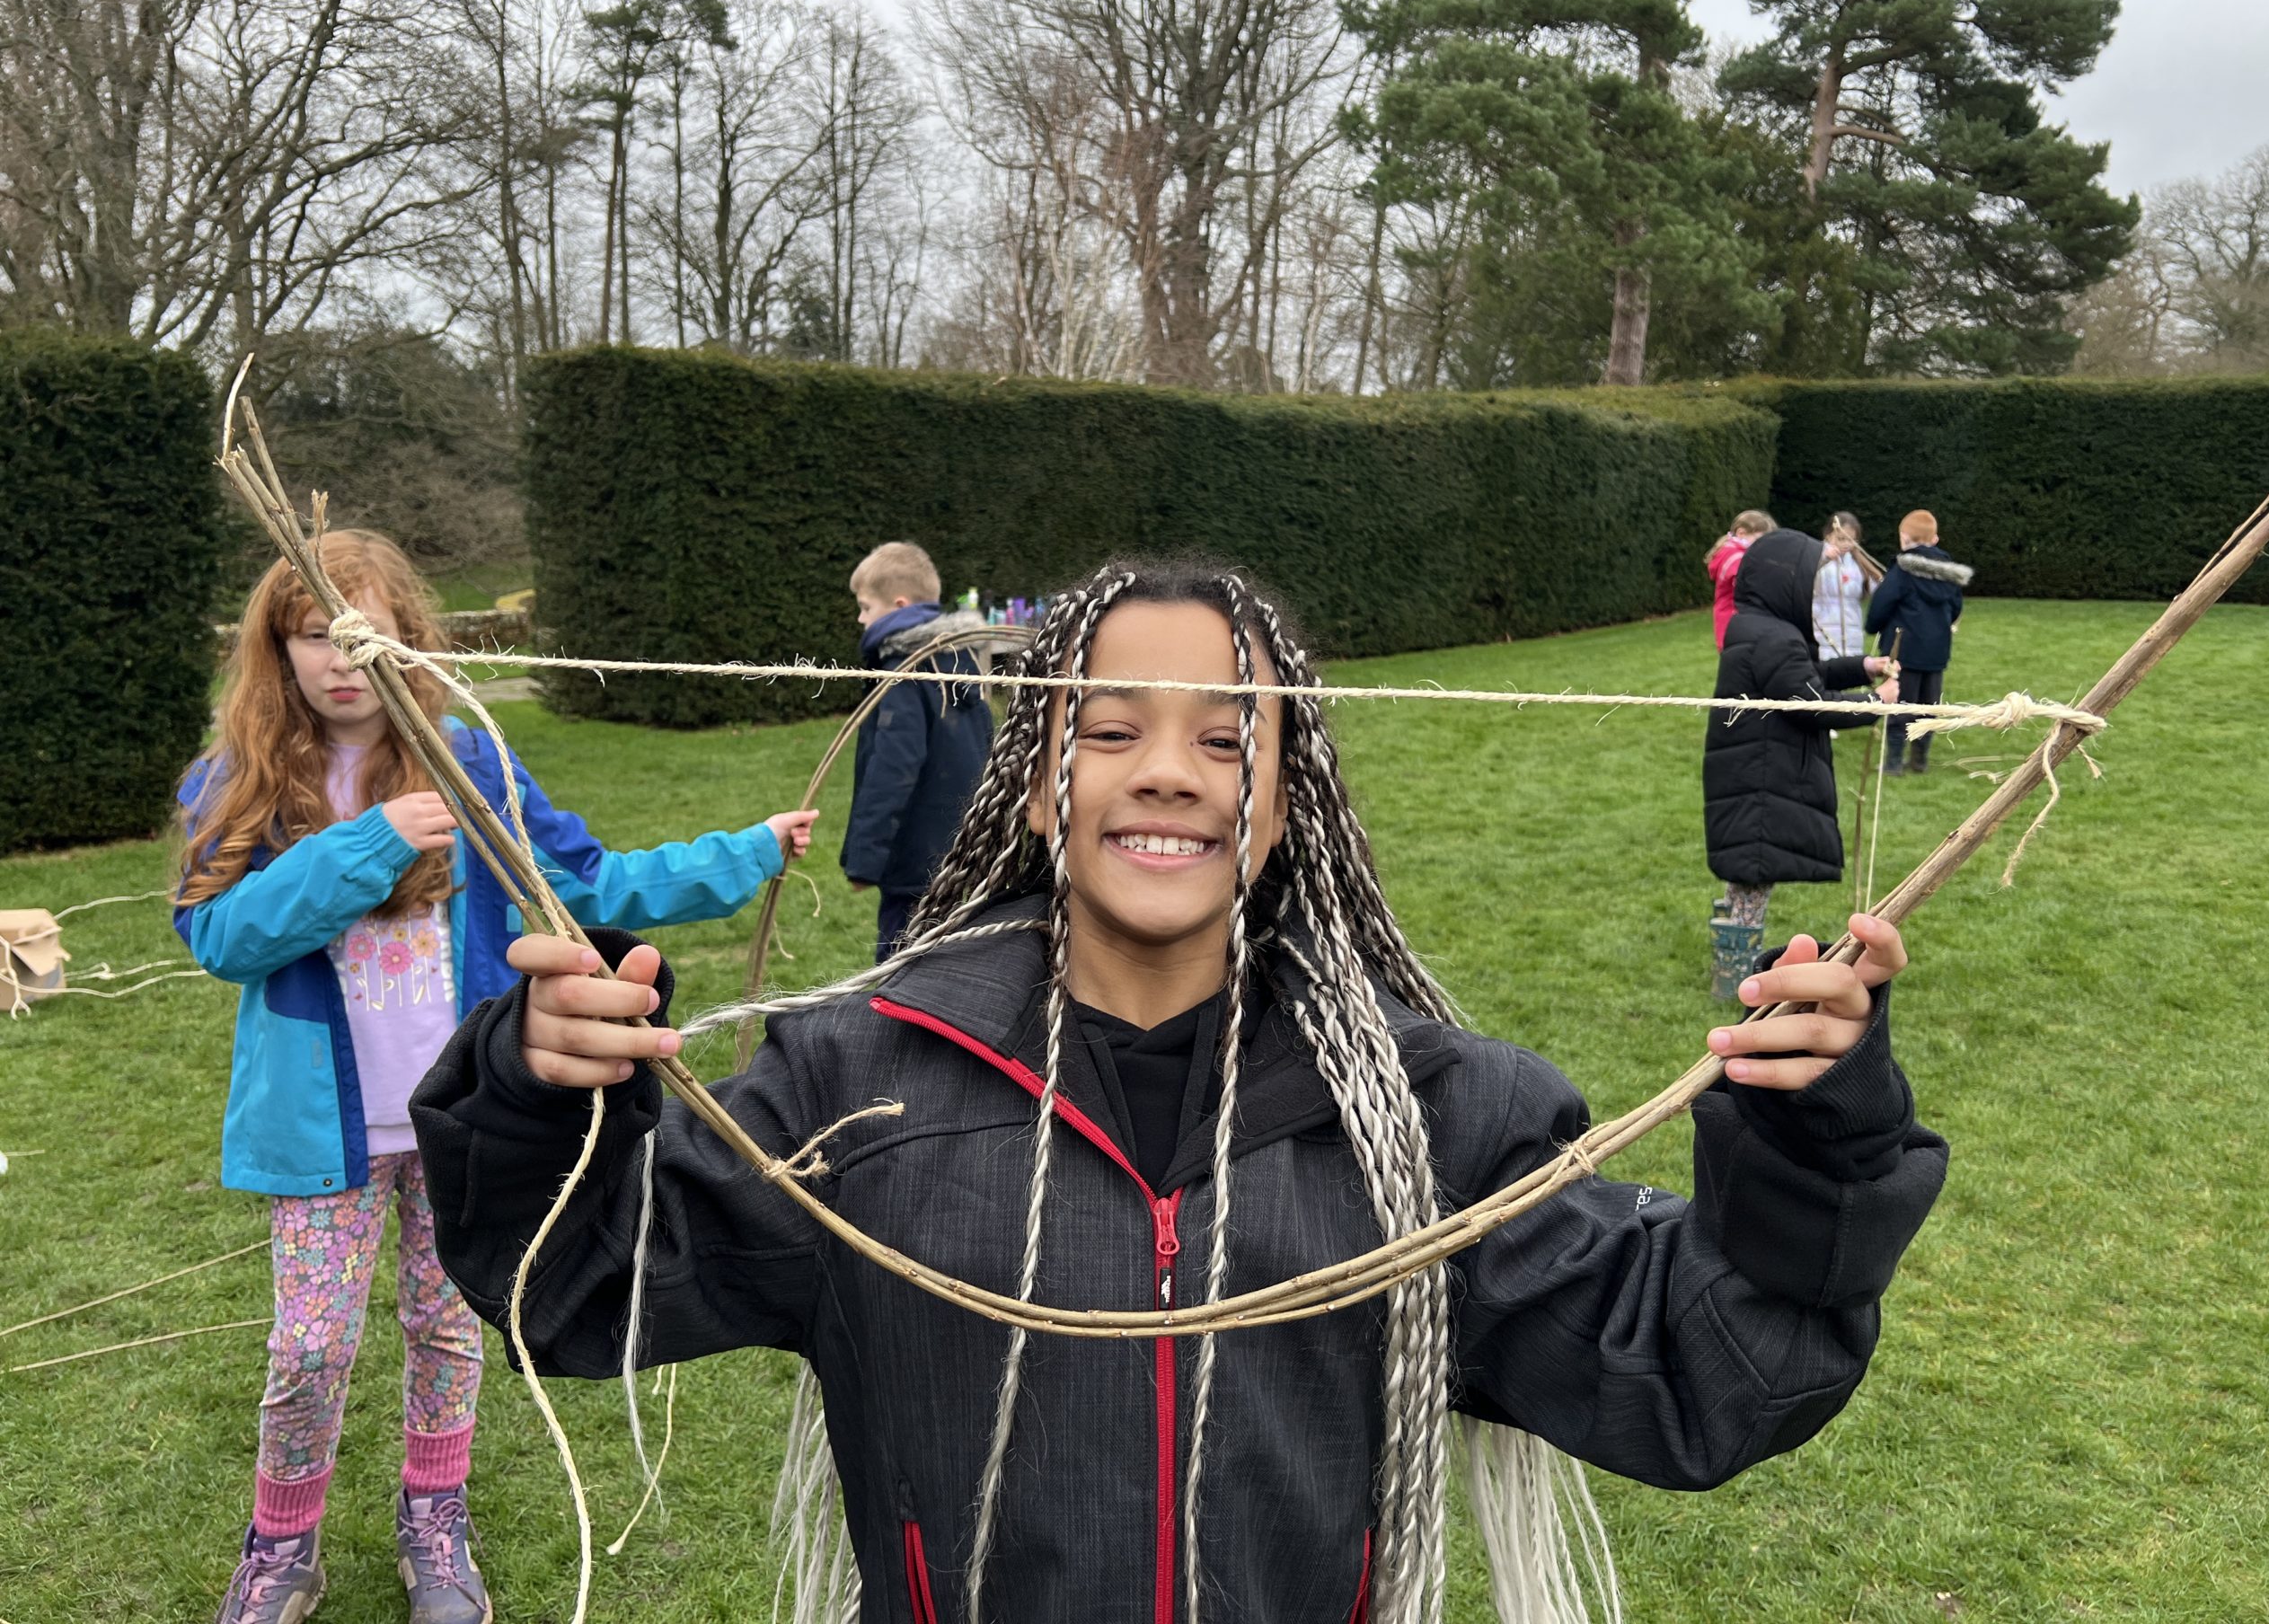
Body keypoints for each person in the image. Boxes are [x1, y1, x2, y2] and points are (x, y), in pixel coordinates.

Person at [413, 560, 1947, 1624]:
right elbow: (574, 1291)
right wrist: (546, 1099)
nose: (1172, 771)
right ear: (1038, 787)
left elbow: (1712, 1374)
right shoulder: (859, 1089)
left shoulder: (1427, 1120)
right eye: (1113, 729)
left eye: (1230, 737)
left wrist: (1818, 1138)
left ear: (1284, 803)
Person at [175, 529, 818, 1624]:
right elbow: (225, 939)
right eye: (312, 638)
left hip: (458, 1124)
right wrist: (367, 843)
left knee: (448, 1325)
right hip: (319, 1131)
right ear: (277, 653)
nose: (340, 661)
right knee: (310, 1345)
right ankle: (280, 1547)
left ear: (406, 639)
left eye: (360, 636)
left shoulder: (467, 766)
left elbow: (593, 878)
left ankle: (436, 1522)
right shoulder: (236, 777)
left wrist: (745, 850)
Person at [1705, 530, 1901, 1000]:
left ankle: (1730, 957)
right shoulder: (1773, 638)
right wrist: (1878, 701)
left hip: (1753, 769)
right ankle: (1734, 976)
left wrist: (1862, 667)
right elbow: (1812, 702)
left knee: (1747, 874)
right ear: (1783, 581)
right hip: (1761, 776)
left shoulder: (1759, 626)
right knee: (1754, 870)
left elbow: (1806, 677)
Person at [843, 542, 996, 959]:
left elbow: (893, 770)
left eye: (865, 607)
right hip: (961, 850)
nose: (860, 619)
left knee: (899, 965)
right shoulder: (963, 661)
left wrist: (864, 862)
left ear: (898, 604)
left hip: (912, 861)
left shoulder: (904, 673)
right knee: (949, 957)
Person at [1866, 509, 1973, 776]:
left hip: (1904, 648)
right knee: (1928, 704)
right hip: (1936, 649)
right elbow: (1956, 607)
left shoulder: (1902, 569)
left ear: (1904, 537)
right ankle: (1919, 760)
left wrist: (1873, 626)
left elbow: (1882, 604)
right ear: (1934, 539)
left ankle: (1893, 763)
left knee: (1900, 703)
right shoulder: (1949, 573)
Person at [1812, 510, 1878, 664]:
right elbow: (1805, 577)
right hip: (1822, 631)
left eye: (1851, 540)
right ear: (1828, 535)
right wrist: (1825, 559)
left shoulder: (1858, 563)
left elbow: (1878, 589)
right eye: (1841, 539)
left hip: (1852, 633)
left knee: (1847, 676)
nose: (1846, 544)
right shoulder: (1816, 556)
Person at [1705, 508, 1776, 649]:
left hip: (1738, 623)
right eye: (1759, 540)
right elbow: (1746, 583)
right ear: (1741, 533)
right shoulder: (1733, 555)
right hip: (1733, 625)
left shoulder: (1741, 554)